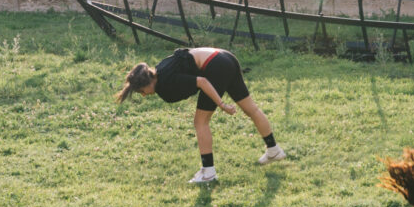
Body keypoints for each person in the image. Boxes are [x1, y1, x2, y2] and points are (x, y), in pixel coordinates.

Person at [115, 47, 286, 183]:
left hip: (216, 65)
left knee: (200, 122)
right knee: (251, 109)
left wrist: (222, 105)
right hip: (225, 57)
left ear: (148, 83)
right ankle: (274, 150)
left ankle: (208, 173)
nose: (143, 95)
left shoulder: (167, 81)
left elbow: (202, 82)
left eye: (141, 91)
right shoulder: (160, 70)